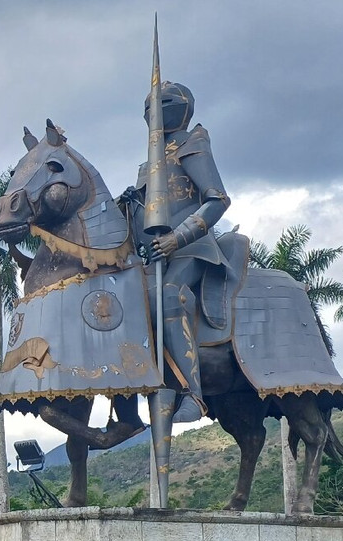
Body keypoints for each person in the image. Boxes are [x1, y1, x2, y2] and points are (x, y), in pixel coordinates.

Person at [123, 81, 231, 415]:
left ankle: (192, 393)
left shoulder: (192, 143)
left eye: (159, 103)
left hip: (193, 248)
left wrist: (176, 239)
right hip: (156, 254)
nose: (151, 112)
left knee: (169, 294)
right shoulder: (148, 165)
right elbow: (148, 227)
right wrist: (131, 208)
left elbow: (217, 200)